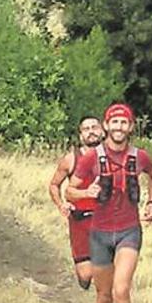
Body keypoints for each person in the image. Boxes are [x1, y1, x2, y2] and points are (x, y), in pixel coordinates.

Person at [65, 103, 152, 303]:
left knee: (121, 290)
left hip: (129, 231)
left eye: (124, 122)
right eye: (114, 122)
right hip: (99, 234)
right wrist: (88, 192)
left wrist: (151, 202)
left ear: (130, 127)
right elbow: (70, 192)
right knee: (104, 297)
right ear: (106, 125)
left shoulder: (140, 157)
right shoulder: (91, 158)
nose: (119, 127)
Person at [47, 115, 105, 290]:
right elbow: (54, 185)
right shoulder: (71, 159)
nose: (91, 132)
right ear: (81, 135)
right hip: (80, 220)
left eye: (95, 127)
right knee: (86, 275)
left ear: (102, 131)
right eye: (86, 129)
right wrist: (60, 205)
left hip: (106, 219)